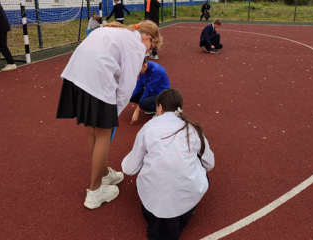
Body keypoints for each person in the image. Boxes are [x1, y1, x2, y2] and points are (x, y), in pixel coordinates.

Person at [56, 20, 162, 210]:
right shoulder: (135, 45)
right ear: (147, 38)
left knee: (92, 132)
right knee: (103, 134)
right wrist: (114, 115)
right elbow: (127, 86)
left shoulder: (116, 32)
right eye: (151, 47)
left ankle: (104, 173)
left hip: (77, 76)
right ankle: (95, 192)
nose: (147, 52)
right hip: (95, 80)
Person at [122, 88, 215, 240]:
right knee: (199, 164)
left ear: (159, 107)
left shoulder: (149, 128)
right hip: (186, 196)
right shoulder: (193, 128)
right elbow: (209, 163)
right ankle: (187, 207)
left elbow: (130, 169)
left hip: (153, 200)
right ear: (180, 107)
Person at [130, 58, 170, 123]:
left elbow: (148, 90)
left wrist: (137, 110)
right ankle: (150, 107)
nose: (137, 73)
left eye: (138, 70)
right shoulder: (143, 68)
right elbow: (139, 85)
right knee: (130, 95)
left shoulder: (157, 71)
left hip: (161, 95)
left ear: (144, 66)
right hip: (152, 93)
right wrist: (128, 96)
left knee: (142, 103)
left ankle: (159, 110)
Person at [0, 3, 17, 72]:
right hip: (2, 26)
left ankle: (11, 63)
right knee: (0, 43)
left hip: (1, 27)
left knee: (2, 44)